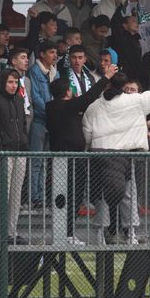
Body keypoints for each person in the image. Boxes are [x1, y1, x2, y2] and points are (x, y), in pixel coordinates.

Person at [82, 64, 150, 244]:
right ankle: (131, 234)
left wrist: (91, 146)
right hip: (126, 155)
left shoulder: (95, 106)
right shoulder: (135, 100)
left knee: (102, 196)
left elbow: (87, 132)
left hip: (100, 155)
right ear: (123, 86)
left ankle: (100, 235)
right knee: (129, 193)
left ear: (107, 85)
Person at [47, 62, 117, 244]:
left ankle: (66, 233)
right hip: (67, 159)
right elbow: (89, 97)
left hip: (70, 158)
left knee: (71, 196)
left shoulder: (54, 107)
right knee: (69, 196)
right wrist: (106, 78)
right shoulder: (62, 106)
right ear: (68, 93)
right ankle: (65, 233)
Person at [0, 69, 29, 244]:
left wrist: (24, 142)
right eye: (10, 82)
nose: (13, 85)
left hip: (20, 151)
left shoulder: (19, 99)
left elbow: (24, 124)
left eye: (16, 82)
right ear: (3, 82)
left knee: (16, 194)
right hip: (3, 153)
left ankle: (11, 231)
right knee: (3, 193)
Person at [28, 40, 60, 207]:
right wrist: (51, 111)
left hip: (53, 122)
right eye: (51, 52)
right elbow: (35, 97)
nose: (54, 56)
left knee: (46, 162)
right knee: (36, 161)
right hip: (40, 120)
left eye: (55, 52)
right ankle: (35, 197)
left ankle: (43, 195)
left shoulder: (56, 72)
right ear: (42, 54)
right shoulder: (34, 71)